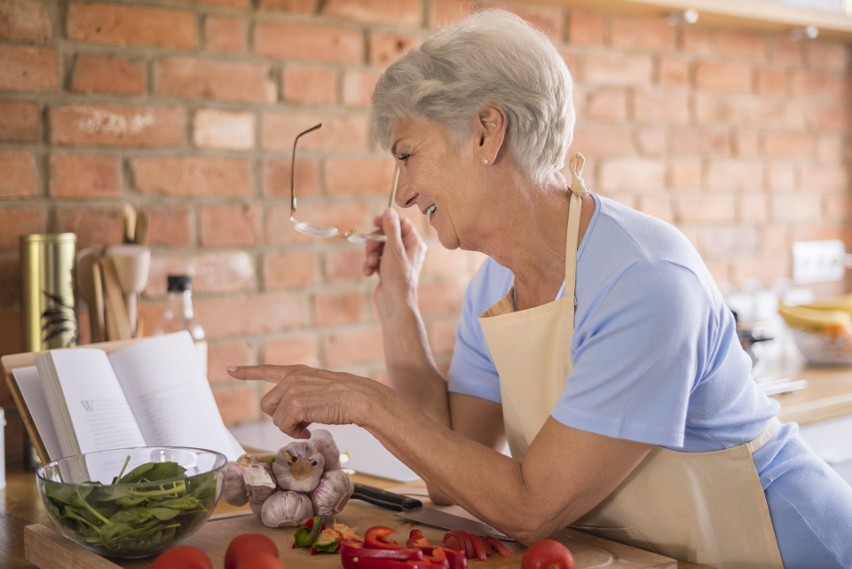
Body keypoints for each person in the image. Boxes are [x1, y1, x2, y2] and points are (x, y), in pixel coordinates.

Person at [227, 9, 852, 568]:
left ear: (486, 133)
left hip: (787, 546)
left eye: (408, 155)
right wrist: (398, 305)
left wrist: (365, 401)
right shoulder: (494, 284)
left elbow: (531, 508)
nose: (403, 194)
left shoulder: (646, 282)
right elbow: (456, 465)